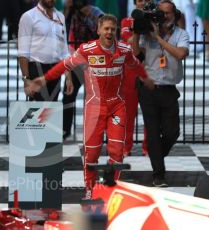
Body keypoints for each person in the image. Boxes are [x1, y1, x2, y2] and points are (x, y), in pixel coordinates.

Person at [26, 14, 154, 199]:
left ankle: (111, 189)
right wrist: (44, 79)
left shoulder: (124, 50)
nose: (109, 32)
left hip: (117, 106)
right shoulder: (87, 50)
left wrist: (145, 77)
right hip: (94, 108)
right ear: (99, 30)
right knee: (92, 153)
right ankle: (89, 189)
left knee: (117, 152)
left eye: (113, 29)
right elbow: (64, 65)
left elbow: (135, 64)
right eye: (106, 29)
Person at [132, 0, 189, 187]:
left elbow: (180, 54)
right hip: (148, 89)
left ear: (175, 15)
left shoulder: (181, 34)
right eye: (161, 13)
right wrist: (136, 32)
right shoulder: (147, 33)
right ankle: (159, 174)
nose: (164, 16)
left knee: (173, 132)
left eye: (168, 13)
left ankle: (156, 156)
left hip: (169, 90)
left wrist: (158, 38)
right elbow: (135, 53)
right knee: (154, 132)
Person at [62, 0, 104, 140]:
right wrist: (67, 9)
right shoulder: (69, 13)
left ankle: (93, 131)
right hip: (75, 60)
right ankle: (64, 129)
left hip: (93, 61)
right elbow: (62, 29)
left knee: (93, 98)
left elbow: (105, 32)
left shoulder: (96, 12)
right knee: (68, 95)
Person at [18, 0, 71, 102]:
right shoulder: (28, 17)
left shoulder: (60, 17)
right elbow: (23, 52)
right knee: (40, 110)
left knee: (51, 110)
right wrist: (26, 79)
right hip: (37, 69)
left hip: (55, 70)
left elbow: (64, 51)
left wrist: (69, 78)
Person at [120, 0, 149, 156]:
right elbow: (128, 41)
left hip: (149, 70)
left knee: (149, 112)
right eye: (140, 0)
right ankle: (126, 147)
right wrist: (138, 26)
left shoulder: (154, 21)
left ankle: (148, 147)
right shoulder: (126, 21)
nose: (143, 2)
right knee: (128, 113)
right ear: (135, 2)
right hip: (130, 71)